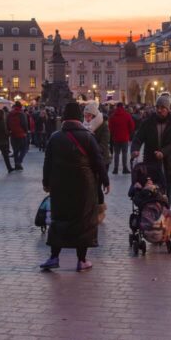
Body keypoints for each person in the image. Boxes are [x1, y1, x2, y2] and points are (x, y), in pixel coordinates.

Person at [40, 101, 109, 272]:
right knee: (83, 220)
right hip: (84, 185)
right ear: (79, 117)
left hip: (60, 185)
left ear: (64, 118)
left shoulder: (55, 137)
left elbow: (47, 163)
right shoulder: (88, 137)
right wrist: (105, 180)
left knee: (59, 219)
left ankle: (54, 257)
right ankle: (82, 260)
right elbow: (98, 160)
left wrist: (46, 183)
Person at [131, 95, 171, 204]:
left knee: (167, 193)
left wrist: (163, 152)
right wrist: (135, 149)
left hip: (169, 164)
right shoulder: (148, 122)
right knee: (151, 191)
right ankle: (152, 212)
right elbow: (138, 138)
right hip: (151, 164)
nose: (159, 110)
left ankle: (165, 213)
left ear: (168, 109)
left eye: (162, 107)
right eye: (157, 107)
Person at [108, 102, 135, 175]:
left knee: (116, 153)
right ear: (123, 107)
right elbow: (132, 126)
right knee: (124, 153)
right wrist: (128, 133)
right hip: (125, 137)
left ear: (116, 107)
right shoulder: (127, 115)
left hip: (116, 138)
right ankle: (125, 168)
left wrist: (113, 134)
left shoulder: (112, 116)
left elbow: (109, 127)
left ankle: (115, 169)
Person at [84, 101, 110, 176]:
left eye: (89, 115)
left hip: (102, 160)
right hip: (89, 161)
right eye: (85, 116)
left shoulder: (103, 125)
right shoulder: (84, 125)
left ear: (94, 115)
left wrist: (90, 151)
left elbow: (104, 144)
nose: (87, 118)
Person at [8, 102, 29, 170]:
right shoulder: (21, 113)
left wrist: (10, 130)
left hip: (13, 134)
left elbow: (7, 123)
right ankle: (19, 162)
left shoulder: (10, 114)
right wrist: (26, 131)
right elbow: (24, 124)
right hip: (21, 134)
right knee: (24, 149)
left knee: (15, 151)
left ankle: (16, 165)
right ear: (20, 106)